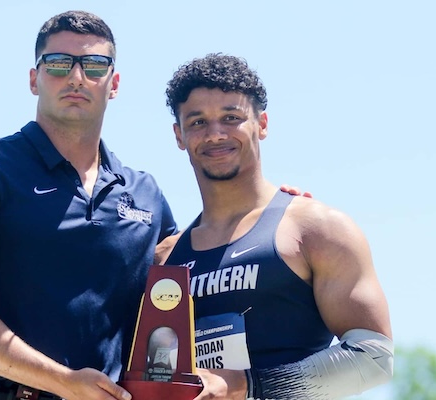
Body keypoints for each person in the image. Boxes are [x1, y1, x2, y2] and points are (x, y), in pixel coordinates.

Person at [0, 10, 176, 400]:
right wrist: (61, 383)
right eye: (58, 64)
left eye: (94, 65)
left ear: (114, 83)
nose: (76, 77)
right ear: (34, 79)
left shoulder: (145, 195)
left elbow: (202, 272)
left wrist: (273, 209)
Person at [156, 53, 394, 400]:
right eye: (198, 122)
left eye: (231, 117)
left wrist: (247, 386)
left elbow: (375, 358)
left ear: (261, 124)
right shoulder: (165, 258)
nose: (215, 134)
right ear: (179, 135)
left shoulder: (316, 229)